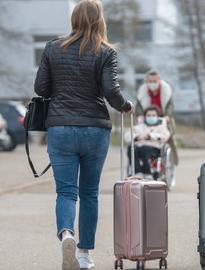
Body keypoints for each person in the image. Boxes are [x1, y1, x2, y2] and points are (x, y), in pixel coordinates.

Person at [34, 1, 133, 269]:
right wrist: (125, 105)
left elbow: (41, 87)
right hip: (94, 129)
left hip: (60, 128)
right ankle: (85, 255)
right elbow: (110, 90)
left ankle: (67, 234)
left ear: (74, 19)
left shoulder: (53, 47)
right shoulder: (106, 51)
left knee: (66, 192)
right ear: (99, 20)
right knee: (89, 193)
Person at [137, 69, 179, 166]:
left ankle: (172, 162)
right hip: (147, 118)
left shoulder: (166, 90)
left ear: (159, 80)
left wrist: (168, 116)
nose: (152, 84)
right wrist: (140, 116)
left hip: (163, 119)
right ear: (147, 81)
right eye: (150, 81)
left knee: (168, 138)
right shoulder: (142, 91)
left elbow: (170, 105)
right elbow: (139, 106)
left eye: (155, 81)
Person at [125, 106, 171, 176]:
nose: (151, 117)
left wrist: (150, 136)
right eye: (148, 115)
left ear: (157, 117)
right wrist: (137, 137)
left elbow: (165, 136)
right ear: (145, 117)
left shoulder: (161, 127)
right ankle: (137, 173)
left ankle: (147, 173)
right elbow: (127, 135)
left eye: (153, 115)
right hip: (138, 147)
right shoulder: (139, 127)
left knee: (144, 149)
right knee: (131, 148)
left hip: (154, 148)